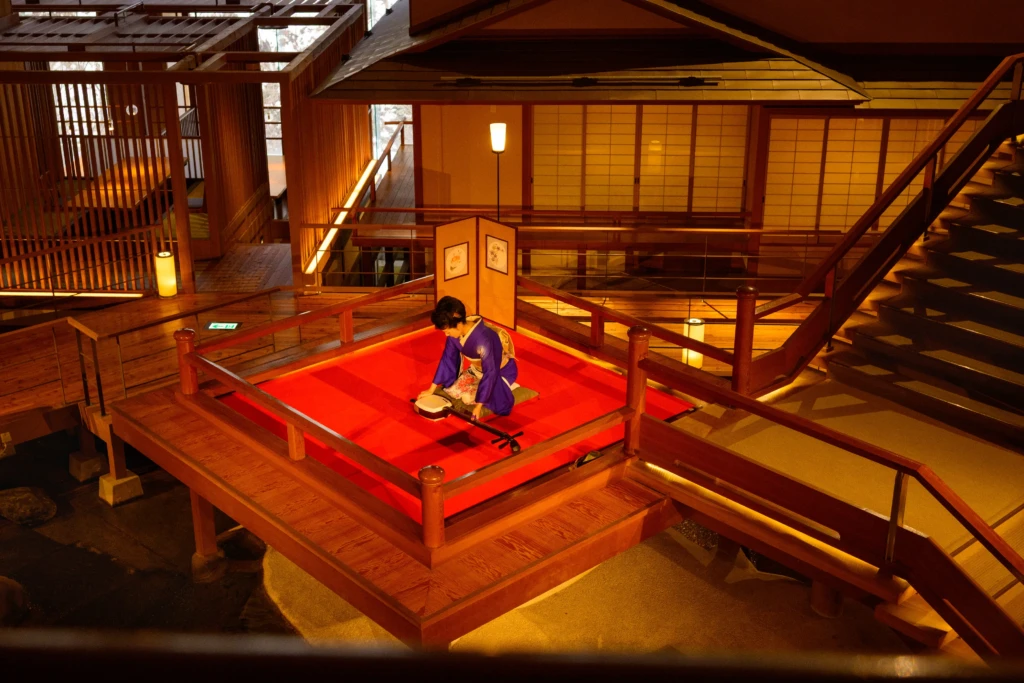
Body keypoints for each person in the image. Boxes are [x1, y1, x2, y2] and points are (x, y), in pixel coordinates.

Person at [418, 296, 518, 419]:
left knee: (483, 398)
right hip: (477, 371)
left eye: (447, 331)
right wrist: (431, 389)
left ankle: (507, 386)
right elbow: (447, 359)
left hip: (500, 372)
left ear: (459, 325)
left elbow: (491, 372)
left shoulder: (485, 340)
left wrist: (478, 407)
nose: (446, 335)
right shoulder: (454, 334)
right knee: (454, 391)